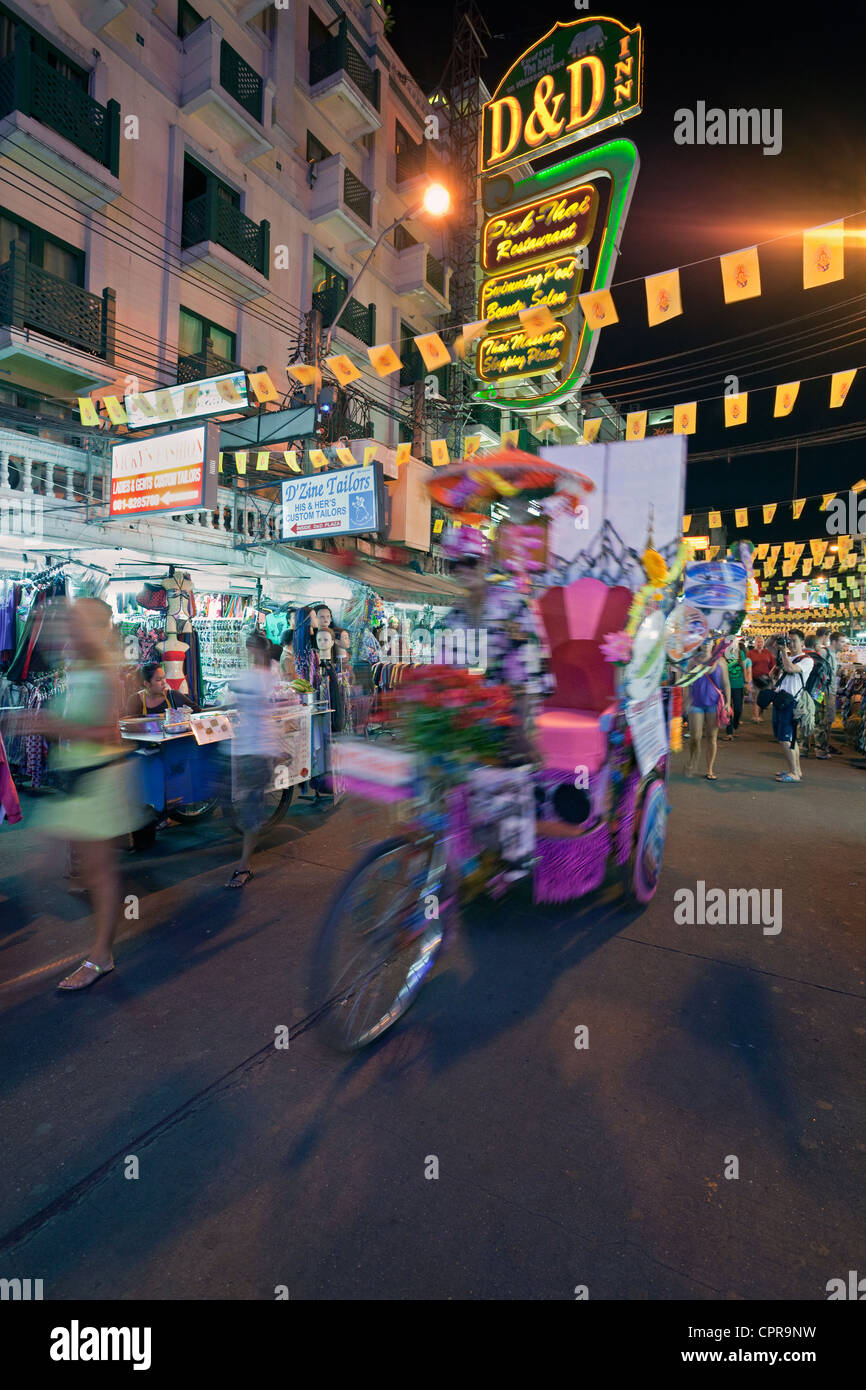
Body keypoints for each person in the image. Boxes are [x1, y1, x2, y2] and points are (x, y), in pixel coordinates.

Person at [21, 598, 147, 990]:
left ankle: (100, 957)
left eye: (80, 623)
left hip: (99, 781)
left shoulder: (106, 672)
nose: (72, 629)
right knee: (79, 871)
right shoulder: (81, 665)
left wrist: (43, 723)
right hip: (80, 779)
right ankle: (100, 951)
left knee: (100, 874)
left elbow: (104, 733)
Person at [223, 631, 283, 887]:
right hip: (245, 748)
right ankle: (244, 859)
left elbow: (238, 693)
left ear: (252, 649)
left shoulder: (261, 677)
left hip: (257, 750)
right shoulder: (265, 676)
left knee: (249, 809)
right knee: (245, 804)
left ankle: (244, 865)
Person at [683, 640, 732, 780]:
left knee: (712, 737)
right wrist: (686, 700)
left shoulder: (721, 661)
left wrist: (728, 703)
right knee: (695, 737)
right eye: (704, 641)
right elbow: (686, 683)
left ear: (713, 644)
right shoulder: (693, 661)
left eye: (709, 641)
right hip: (696, 703)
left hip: (714, 704)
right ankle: (693, 759)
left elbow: (727, 684)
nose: (706, 644)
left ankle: (709, 768)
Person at [772, 629, 813, 783]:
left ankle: (794, 773)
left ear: (802, 643)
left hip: (791, 703)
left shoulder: (807, 660)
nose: (792, 644)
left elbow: (790, 669)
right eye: (790, 640)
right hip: (780, 700)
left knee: (785, 739)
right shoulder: (787, 656)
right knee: (790, 739)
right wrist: (778, 642)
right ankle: (796, 770)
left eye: (795, 640)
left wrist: (783, 651)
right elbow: (774, 673)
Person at [124, 661, 200, 717]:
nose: (164, 682)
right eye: (158, 680)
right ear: (147, 684)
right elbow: (130, 724)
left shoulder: (174, 696)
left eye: (164, 678)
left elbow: (198, 712)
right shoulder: (134, 700)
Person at [723, 637, 750, 739]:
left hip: (738, 685)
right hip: (726, 686)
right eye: (729, 642)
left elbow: (744, 668)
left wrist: (746, 682)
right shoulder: (723, 654)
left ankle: (735, 724)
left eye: (732, 641)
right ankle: (729, 732)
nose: (731, 643)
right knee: (727, 708)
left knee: (738, 708)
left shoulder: (740, 653)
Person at [747, 635, 775, 722]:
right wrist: (749, 680)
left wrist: (772, 676)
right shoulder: (750, 653)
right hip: (755, 678)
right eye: (758, 642)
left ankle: (759, 714)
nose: (760, 643)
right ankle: (755, 716)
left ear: (763, 643)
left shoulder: (767, 653)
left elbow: (773, 665)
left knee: (763, 699)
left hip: (766, 679)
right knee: (756, 698)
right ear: (755, 643)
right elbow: (748, 667)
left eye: (761, 642)